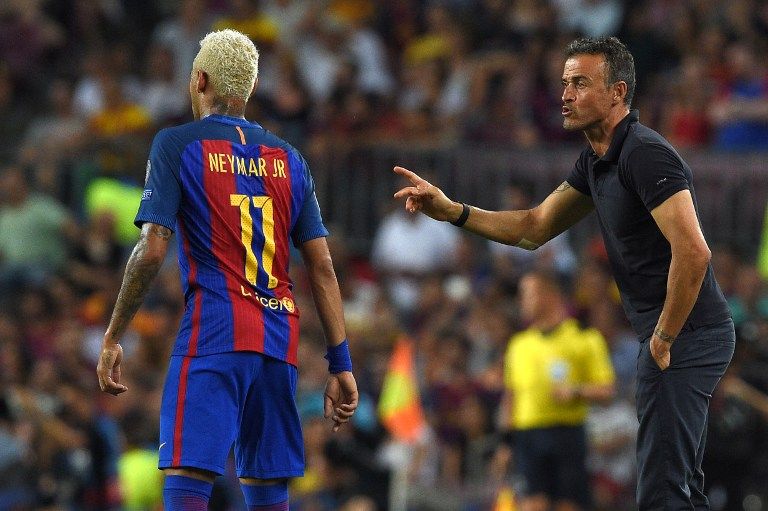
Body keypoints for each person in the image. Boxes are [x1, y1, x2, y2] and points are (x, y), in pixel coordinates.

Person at [393, 36, 734, 510]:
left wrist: (664, 338)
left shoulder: (644, 154)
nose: (565, 95)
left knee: (661, 489)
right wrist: (454, 211)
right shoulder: (597, 159)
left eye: (579, 83)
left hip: (686, 333)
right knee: (677, 486)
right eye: (564, 84)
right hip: (677, 333)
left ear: (617, 92)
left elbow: (694, 252)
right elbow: (535, 227)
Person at [96, 29, 358, 511]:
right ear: (250, 89)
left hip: (215, 333)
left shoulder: (177, 144)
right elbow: (321, 265)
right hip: (279, 344)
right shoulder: (290, 159)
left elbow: (152, 250)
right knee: (267, 489)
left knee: (188, 476)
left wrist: (113, 335)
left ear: (199, 80)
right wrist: (340, 362)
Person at [501, 270, 615, 511]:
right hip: (527, 436)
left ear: (550, 295)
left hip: (567, 433)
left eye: (527, 294)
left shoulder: (585, 338)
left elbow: (607, 390)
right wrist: (506, 443)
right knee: (532, 504)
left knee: (569, 504)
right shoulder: (518, 345)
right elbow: (510, 396)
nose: (522, 302)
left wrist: (575, 392)